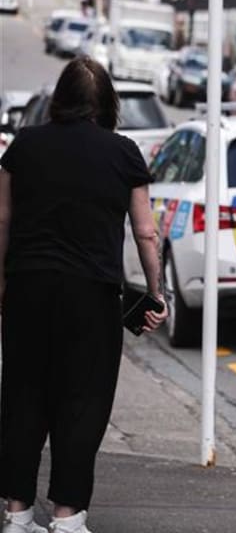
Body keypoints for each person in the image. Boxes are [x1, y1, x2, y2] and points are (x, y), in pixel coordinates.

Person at [0, 58, 168, 533]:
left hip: (28, 289)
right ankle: (67, 517)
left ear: (60, 98)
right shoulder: (124, 153)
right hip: (91, 296)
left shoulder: (23, 147)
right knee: (83, 402)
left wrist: (2, 286)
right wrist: (154, 293)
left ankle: (17, 513)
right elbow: (146, 233)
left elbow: (2, 221)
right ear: (108, 104)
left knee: (23, 397)